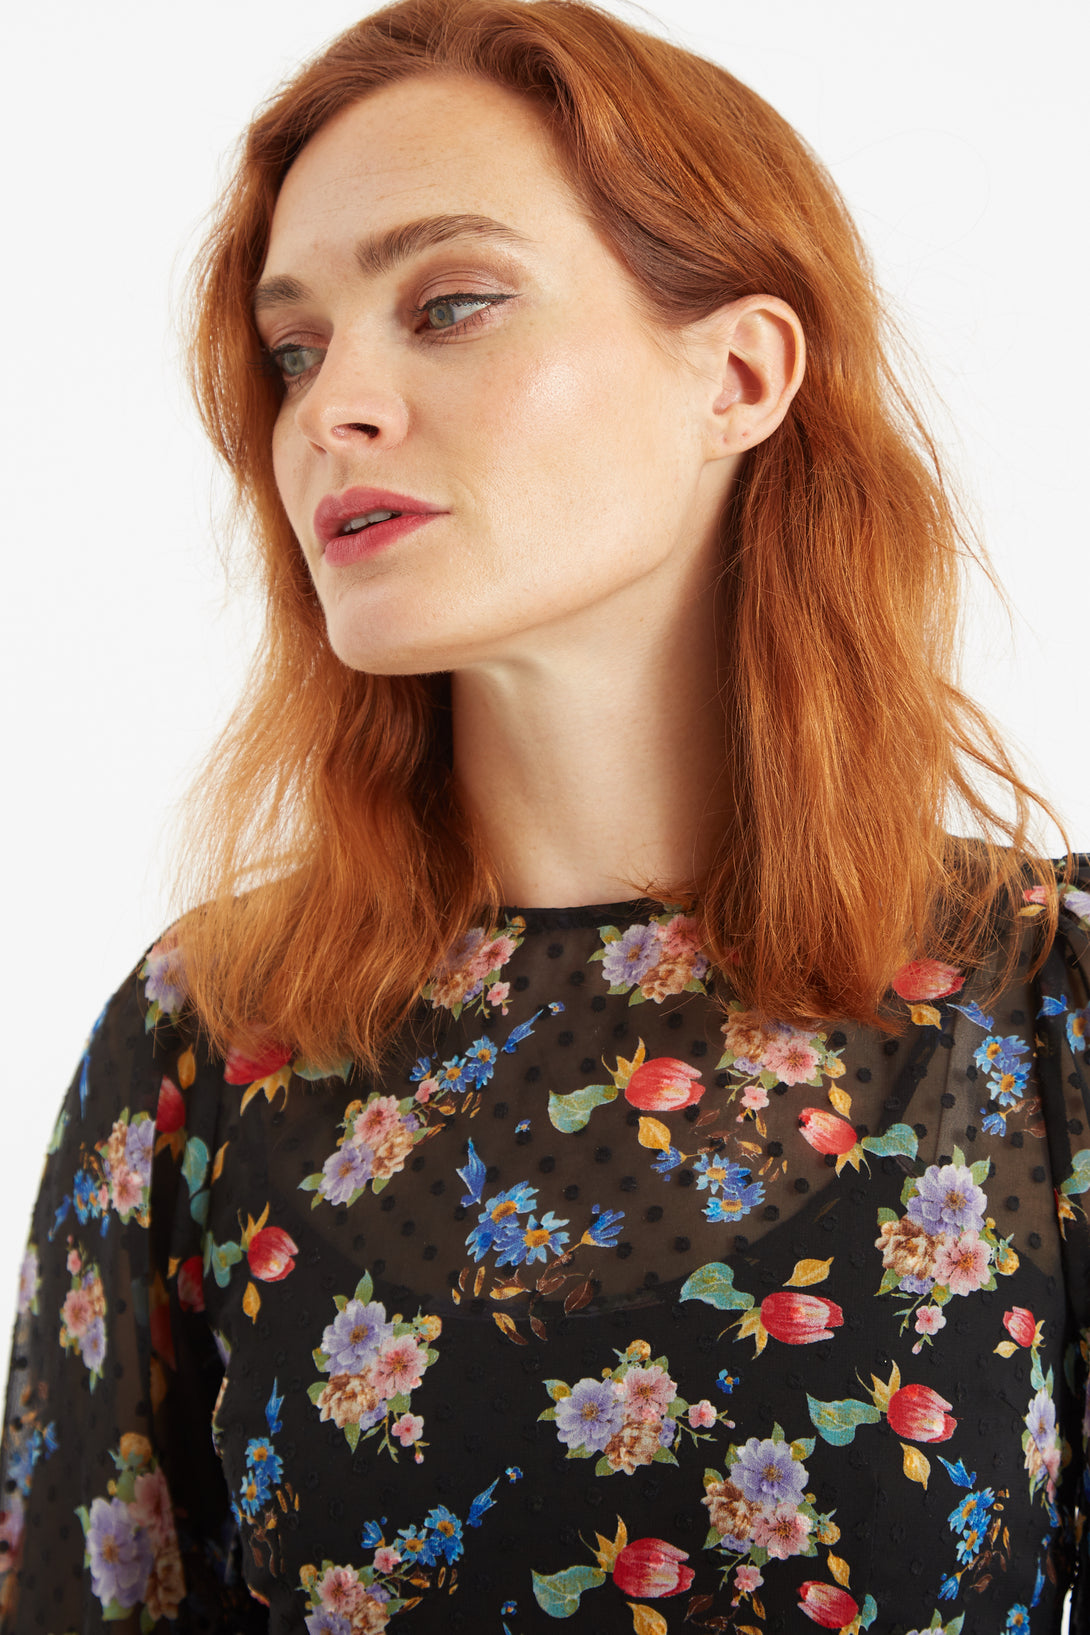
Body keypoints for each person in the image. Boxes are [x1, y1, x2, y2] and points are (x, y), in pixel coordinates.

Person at [0, 0, 1086, 1628]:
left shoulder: (1044, 1005)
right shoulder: (208, 1043)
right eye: (295, 350)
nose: (330, 408)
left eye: (448, 305)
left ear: (738, 373)